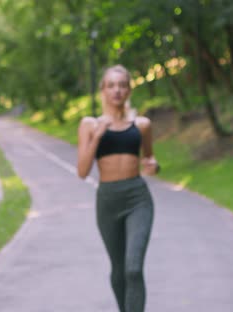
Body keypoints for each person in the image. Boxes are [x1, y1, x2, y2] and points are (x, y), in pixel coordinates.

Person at [77, 64, 159, 312]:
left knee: (133, 268)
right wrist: (98, 135)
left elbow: (150, 160)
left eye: (122, 85)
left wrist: (153, 165)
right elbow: (82, 171)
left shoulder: (142, 124)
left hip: (137, 198)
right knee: (119, 269)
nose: (117, 90)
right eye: (111, 85)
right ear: (102, 90)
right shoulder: (89, 124)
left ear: (129, 90)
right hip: (108, 201)